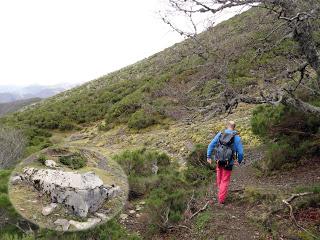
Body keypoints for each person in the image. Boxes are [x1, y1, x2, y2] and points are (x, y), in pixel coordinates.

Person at [207, 121, 244, 205]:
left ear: (227, 126)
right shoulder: (237, 138)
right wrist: (239, 161)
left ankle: (220, 192)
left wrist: (208, 156)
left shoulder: (220, 134)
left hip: (218, 160)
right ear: (234, 127)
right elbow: (241, 153)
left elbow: (211, 145)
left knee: (219, 176)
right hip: (229, 162)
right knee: (225, 180)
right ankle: (221, 200)